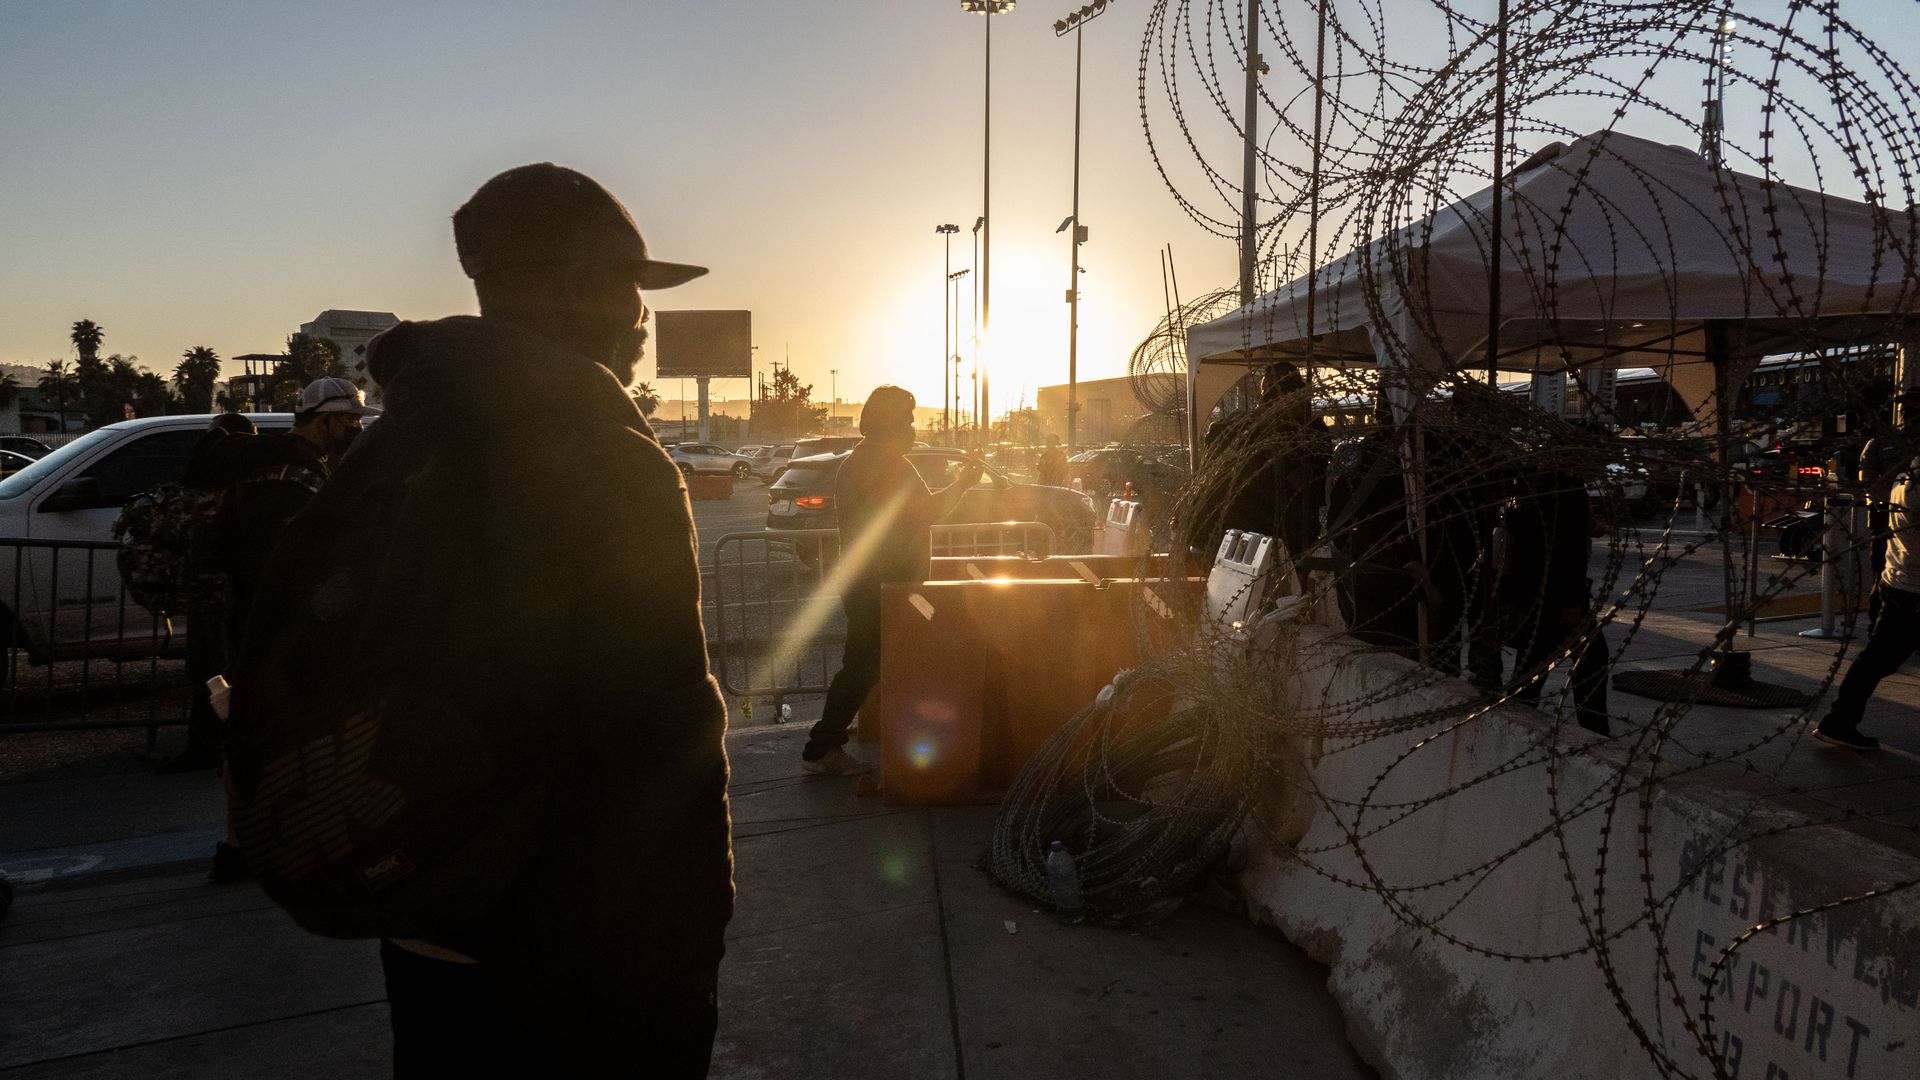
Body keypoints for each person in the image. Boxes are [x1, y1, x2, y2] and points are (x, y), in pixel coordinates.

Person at [260, 163, 733, 1074]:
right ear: (579, 285)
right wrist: (688, 945)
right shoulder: (605, 461)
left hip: (428, 916)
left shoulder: (394, 444)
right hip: (578, 950)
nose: (642, 322)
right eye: (633, 292)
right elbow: (661, 735)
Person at [804, 385, 980, 775]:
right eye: (907, 419)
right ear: (890, 422)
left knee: (867, 663)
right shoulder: (886, 464)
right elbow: (928, 511)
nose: (913, 427)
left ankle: (837, 737)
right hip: (880, 585)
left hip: (868, 582)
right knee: (863, 666)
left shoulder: (864, 460)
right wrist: (965, 483)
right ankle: (822, 747)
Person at [155, 412, 258, 776]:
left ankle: (211, 748)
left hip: (212, 597)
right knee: (219, 673)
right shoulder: (247, 489)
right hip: (233, 598)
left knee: (210, 675)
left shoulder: (201, 492)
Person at [1816, 432, 1919, 751]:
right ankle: (1839, 720)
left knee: (1878, 658)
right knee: (1879, 658)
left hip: (1900, 579)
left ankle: (1840, 720)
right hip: (1913, 587)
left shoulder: (1906, 474)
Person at [1496, 465, 1612, 735]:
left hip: (1533, 591)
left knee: (1533, 662)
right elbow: (1567, 551)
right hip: (1561, 598)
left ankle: (1510, 721)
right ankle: (1594, 731)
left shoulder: (1533, 485)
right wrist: (1572, 602)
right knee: (1591, 658)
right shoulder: (1570, 491)